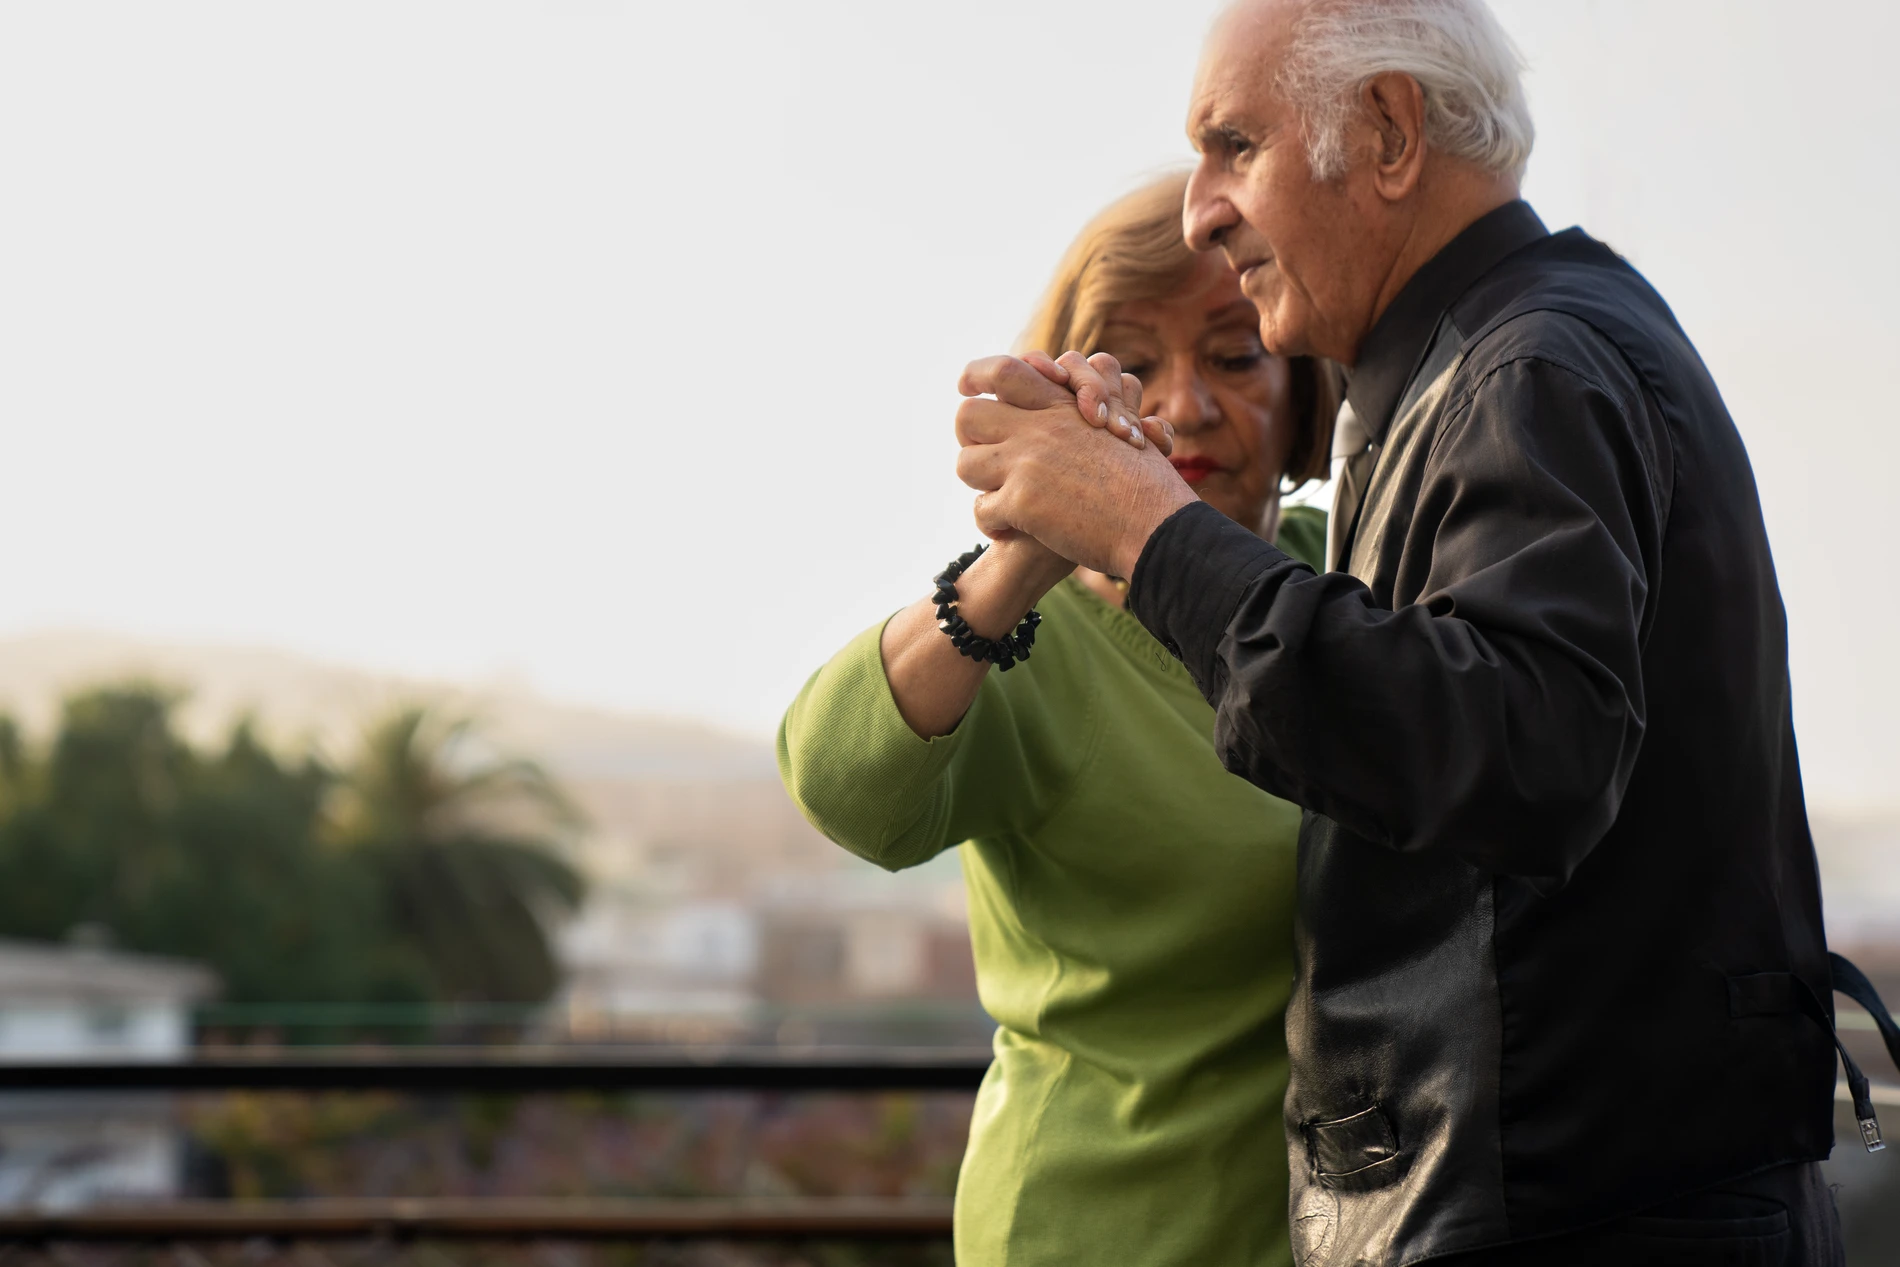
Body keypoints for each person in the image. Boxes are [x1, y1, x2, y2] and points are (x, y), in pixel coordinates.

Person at [951, 1, 1900, 1263]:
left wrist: (1147, 532)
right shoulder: (1517, 354)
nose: (1200, 208)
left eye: (1235, 144)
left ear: (1389, 134)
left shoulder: (1528, 371)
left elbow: (1518, 751)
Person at [778, 172, 1338, 1267]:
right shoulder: (1034, 641)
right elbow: (840, 786)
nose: (1180, 407)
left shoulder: (1355, 572)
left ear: (1307, 389)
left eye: (1233, 356)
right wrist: (1032, 547)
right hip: (1090, 1233)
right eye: (1132, 368)